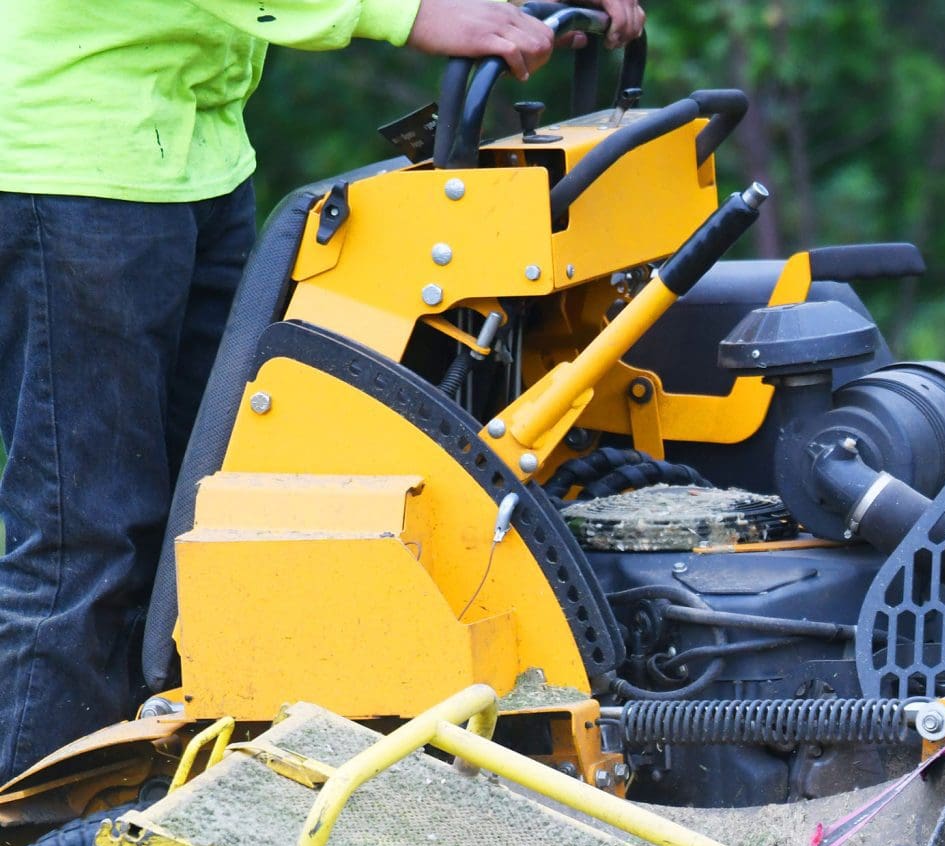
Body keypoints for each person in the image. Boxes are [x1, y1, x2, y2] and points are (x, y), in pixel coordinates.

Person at [0, 0, 642, 782]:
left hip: (191, 157)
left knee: (212, 526)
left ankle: (150, 809)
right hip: (71, 166)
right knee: (87, 541)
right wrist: (408, 11)